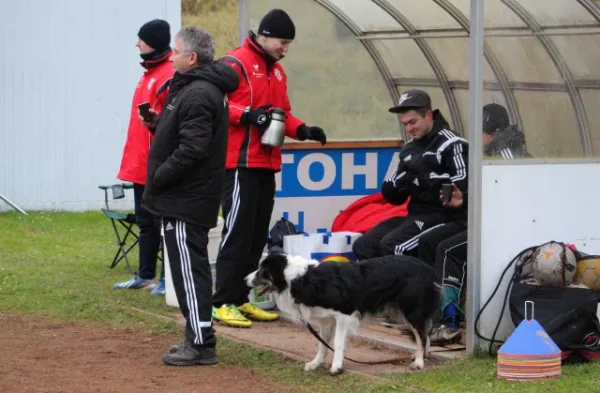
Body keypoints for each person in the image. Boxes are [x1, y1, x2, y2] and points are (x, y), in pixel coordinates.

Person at [212, 8, 327, 328]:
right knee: (235, 234)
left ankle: (240, 300)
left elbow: (283, 113)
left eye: (289, 43)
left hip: (266, 163)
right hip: (239, 163)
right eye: (282, 41)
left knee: (254, 236)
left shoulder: (277, 73)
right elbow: (216, 103)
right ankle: (221, 302)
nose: (285, 48)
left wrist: (304, 130)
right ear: (263, 35)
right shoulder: (234, 63)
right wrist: (247, 115)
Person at [141, 27, 240, 366]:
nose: (172, 56)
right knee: (187, 270)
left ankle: (201, 343)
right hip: (183, 197)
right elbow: (187, 137)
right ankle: (196, 337)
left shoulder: (198, 92)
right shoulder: (191, 88)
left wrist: (157, 178)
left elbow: (193, 150)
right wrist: (159, 125)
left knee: (189, 271)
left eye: (177, 51)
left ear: (192, 58)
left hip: (186, 199)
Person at [416, 103, 531, 345]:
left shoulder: (509, 153)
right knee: (429, 240)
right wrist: (463, 199)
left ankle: (450, 322)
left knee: (449, 250)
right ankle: (428, 312)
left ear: (496, 132)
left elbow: (518, 197)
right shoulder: (490, 152)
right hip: (484, 220)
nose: (476, 139)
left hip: (507, 227)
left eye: (482, 132)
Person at [351, 89, 469, 262]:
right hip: (415, 215)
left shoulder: (452, 143)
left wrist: (427, 179)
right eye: (405, 124)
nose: (409, 129)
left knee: (393, 245)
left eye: (413, 122)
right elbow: (394, 190)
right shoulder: (409, 148)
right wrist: (396, 187)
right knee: (363, 245)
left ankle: (410, 288)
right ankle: (380, 289)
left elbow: (464, 184)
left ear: (428, 115)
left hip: (444, 217)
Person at [114, 19, 174, 295]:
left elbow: (171, 122)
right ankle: (146, 275)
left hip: (159, 163)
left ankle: (166, 279)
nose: (137, 43)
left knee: (163, 224)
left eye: (142, 39)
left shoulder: (169, 73)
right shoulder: (149, 72)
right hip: (141, 162)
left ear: (155, 42)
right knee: (145, 221)